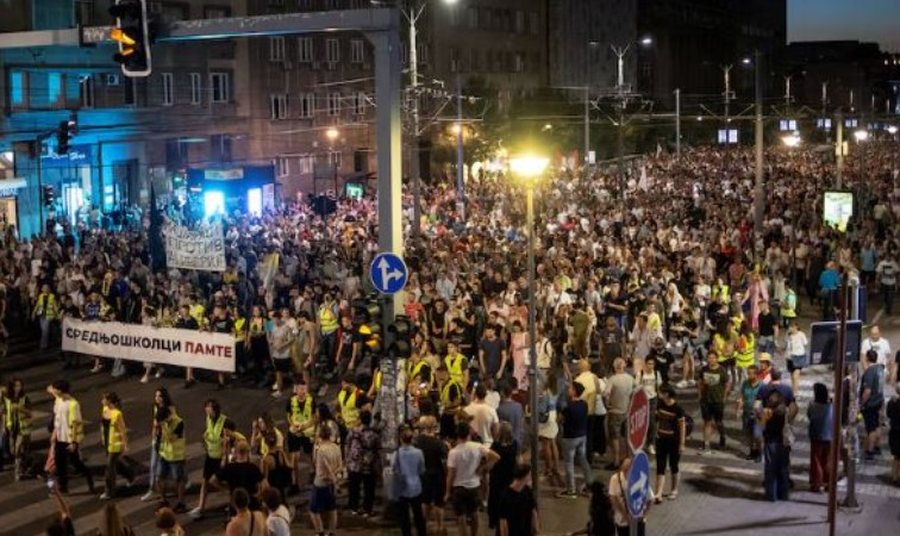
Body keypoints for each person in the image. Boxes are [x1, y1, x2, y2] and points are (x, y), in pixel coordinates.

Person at [445, 422, 501, 536]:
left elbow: (450, 475)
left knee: (461, 517)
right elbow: (496, 457)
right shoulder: (478, 447)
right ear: (469, 433)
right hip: (474, 486)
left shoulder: (453, 452)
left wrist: (447, 492)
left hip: (458, 487)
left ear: (457, 434)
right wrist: (483, 468)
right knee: (474, 514)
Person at [47, 379, 94, 495]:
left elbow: (75, 424)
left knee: (76, 463)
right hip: (59, 437)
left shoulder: (73, 404)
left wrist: (74, 442)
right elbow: (57, 419)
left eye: (55, 389)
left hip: (69, 439)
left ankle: (89, 477)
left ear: (60, 390)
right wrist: (54, 433)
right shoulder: (59, 399)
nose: (53, 391)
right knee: (60, 463)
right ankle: (63, 488)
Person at [189, 399, 228, 518]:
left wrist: (224, 458)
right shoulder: (208, 418)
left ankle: (232, 495)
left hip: (219, 458)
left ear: (214, 409)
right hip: (210, 455)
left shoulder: (224, 421)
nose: (206, 409)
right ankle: (201, 507)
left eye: (208, 407)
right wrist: (206, 435)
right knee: (205, 481)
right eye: (206, 407)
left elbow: (227, 440)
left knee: (216, 481)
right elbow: (210, 431)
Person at [558, 381, 593, 498]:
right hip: (582, 436)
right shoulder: (584, 404)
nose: (568, 390)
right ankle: (589, 485)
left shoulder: (567, 407)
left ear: (574, 391)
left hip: (570, 438)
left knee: (569, 463)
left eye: (570, 388)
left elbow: (560, 420)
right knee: (583, 460)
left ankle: (571, 490)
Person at [414, 415, 448, 534]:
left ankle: (424, 525)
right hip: (438, 475)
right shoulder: (439, 443)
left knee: (425, 501)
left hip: (423, 475)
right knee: (439, 503)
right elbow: (445, 461)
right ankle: (439, 527)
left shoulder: (417, 442)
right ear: (434, 427)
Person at [345, 410, 380, 517]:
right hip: (368, 465)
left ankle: (353, 508)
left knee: (354, 487)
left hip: (354, 464)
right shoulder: (374, 434)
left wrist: (347, 460)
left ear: (360, 419)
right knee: (369, 488)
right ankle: (367, 510)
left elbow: (347, 445)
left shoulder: (353, 432)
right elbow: (377, 449)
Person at [99, 392, 134, 500]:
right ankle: (130, 474)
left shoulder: (117, 414)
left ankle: (109, 491)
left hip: (115, 444)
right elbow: (103, 426)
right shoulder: (105, 409)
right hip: (107, 442)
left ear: (109, 401)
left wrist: (125, 445)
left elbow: (122, 430)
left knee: (109, 468)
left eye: (104, 399)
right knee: (115, 463)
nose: (102, 401)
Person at [394, 424, 428, 536]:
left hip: (402, 487)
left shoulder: (397, 453)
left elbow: (395, 469)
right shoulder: (419, 452)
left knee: (404, 517)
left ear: (401, 439)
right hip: (416, 486)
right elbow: (422, 470)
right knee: (418, 514)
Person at [310, 424, 343, 536]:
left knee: (314, 509)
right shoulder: (336, 447)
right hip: (331, 484)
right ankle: (332, 533)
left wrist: (314, 449)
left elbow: (316, 464)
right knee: (332, 509)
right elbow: (340, 466)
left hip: (320, 483)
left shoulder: (320, 450)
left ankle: (320, 532)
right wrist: (335, 478)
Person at [654, 384, 685, 502]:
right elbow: (657, 419)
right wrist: (656, 432)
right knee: (660, 466)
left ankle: (674, 490)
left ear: (666, 394)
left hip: (673, 441)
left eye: (660, 392)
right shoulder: (660, 404)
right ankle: (658, 493)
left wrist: (682, 444)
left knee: (673, 465)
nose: (658, 394)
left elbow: (682, 427)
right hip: (661, 439)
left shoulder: (678, 409)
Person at [759, 384, 790, 501]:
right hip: (783, 442)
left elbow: (762, 425)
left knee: (770, 468)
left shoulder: (768, 412)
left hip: (771, 441)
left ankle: (771, 494)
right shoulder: (784, 411)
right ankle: (784, 494)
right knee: (783, 468)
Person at [285, 380, 316, 494]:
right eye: (301, 389)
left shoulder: (311, 400)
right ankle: (295, 483)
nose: (303, 391)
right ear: (296, 389)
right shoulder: (290, 401)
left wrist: (305, 426)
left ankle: (314, 474)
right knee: (294, 458)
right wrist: (293, 425)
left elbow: (314, 417)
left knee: (311, 455)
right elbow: (288, 416)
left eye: (305, 389)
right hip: (294, 432)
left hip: (307, 431)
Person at [142, 388, 172, 502]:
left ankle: (181, 481)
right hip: (157, 440)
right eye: (156, 396)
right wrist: (153, 436)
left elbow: (171, 425)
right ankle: (153, 489)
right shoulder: (156, 407)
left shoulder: (170, 409)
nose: (157, 398)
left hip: (164, 441)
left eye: (159, 396)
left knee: (165, 465)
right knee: (154, 465)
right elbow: (154, 423)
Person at [155, 405, 187, 513]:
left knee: (179, 480)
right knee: (159, 477)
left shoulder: (179, 422)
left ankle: (181, 503)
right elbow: (160, 437)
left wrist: (163, 426)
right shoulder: (163, 422)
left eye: (164, 420)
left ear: (168, 415)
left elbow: (170, 438)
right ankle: (163, 500)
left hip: (176, 456)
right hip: (164, 453)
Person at [488, 422, 518, 532]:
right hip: (509, 476)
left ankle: (495, 521)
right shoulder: (514, 445)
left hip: (497, 477)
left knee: (495, 499)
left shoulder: (495, 446)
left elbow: (491, 461)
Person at [604, 357, 634, 469]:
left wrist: (607, 404)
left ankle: (616, 460)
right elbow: (636, 391)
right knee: (627, 436)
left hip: (615, 411)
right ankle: (628, 457)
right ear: (624, 365)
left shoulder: (612, 379)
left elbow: (606, 394)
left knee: (614, 437)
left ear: (614, 366)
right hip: (627, 410)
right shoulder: (630, 378)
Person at [699, 352, 730, 453]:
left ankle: (722, 436)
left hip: (718, 400)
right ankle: (706, 444)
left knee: (718, 422)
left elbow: (727, 384)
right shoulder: (704, 369)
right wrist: (700, 395)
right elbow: (700, 383)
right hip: (706, 400)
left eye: (713, 358)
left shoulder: (722, 370)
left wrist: (724, 397)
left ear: (717, 359)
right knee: (707, 422)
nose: (711, 360)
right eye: (709, 358)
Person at [498, 463, 539, 536]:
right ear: (525, 476)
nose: (530, 477)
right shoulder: (506, 495)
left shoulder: (528, 491)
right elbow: (503, 521)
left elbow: (533, 512)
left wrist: (535, 530)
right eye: (529, 475)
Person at [860, 349, 886, 461]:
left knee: (870, 428)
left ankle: (869, 451)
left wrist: (861, 403)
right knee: (877, 425)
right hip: (879, 400)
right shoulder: (880, 369)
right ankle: (877, 446)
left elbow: (867, 391)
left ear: (867, 358)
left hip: (871, 403)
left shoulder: (869, 372)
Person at [3, 378, 31, 481]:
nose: (18, 388)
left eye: (20, 385)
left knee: (18, 449)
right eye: (16, 386)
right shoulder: (7, 398)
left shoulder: (25, 398)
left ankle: (18, 472)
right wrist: (4, 426)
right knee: (13, 451)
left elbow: (30, 413)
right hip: (11, 428)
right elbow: (5, 412)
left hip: (23, 429)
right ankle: (24, 465)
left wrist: (20, 408)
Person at [807, 382, 833, 492]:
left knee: (816, 460)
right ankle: (828, 482)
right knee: (827, 460)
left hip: (816, 435)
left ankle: (817, 483)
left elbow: (809, 416)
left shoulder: (813, 406)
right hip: (829, 435)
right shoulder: (831, 406)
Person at [736, 365, 762, 461]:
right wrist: (739, 409)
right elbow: (742, 397)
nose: (749, 375)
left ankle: (759, 452)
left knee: (757, 434)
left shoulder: (762, 386)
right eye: (748, 373)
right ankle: (752, 451)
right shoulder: (745, 383)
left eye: (751, 374)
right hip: (746, 412)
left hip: (758, 414)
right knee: (749, 434)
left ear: (756, 374)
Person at [887, 383, 900, 485]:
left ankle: (894, 476)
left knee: (896, 456)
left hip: (894, 431)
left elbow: (889, 414)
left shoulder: (892, 402)